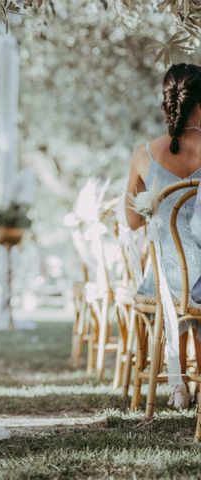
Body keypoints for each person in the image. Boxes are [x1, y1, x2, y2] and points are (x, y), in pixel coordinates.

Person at [126, 63, 201, 409]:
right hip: (199, 282)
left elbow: (131, 220)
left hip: (166, 280)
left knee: (176, 280)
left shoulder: (144, 154)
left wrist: (152, 205)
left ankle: (177, 383)